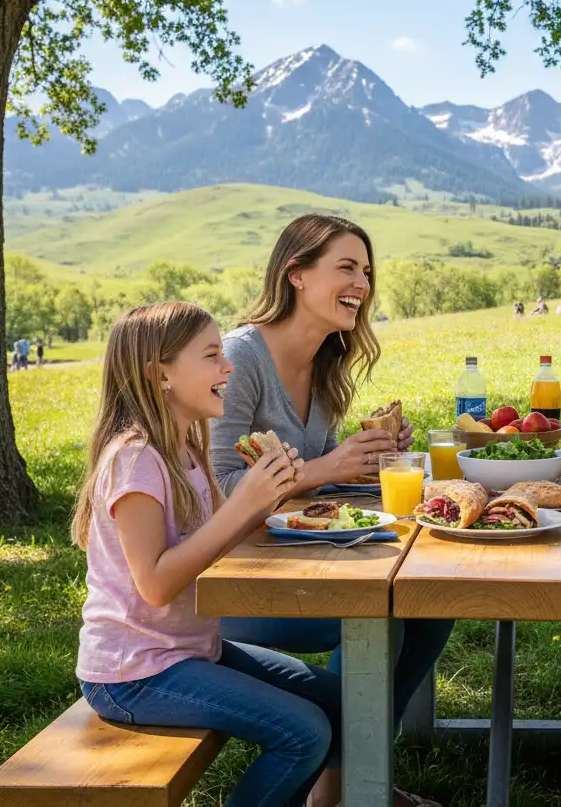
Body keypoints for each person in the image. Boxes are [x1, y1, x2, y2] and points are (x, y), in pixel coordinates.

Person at [211, 214, 451, 807]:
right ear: (295, 274)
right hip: (225, 585)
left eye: (366, 272)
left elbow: (314, 493)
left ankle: (347, 782)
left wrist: (371, 461)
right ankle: (353, 786)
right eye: (346, 268)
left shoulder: (326, 363)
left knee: (433, 603)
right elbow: (217, 487)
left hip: (293, 560)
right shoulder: (241, 359)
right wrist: (329, 467)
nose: (362, 284)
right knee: (375, 615)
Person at [72, 302, 343, 807]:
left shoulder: (186, 449)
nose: (229, 366)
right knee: (304, 733)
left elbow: (226, 543)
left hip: (191, 651)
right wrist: (243, 501)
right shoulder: (135, 461)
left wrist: (271, 496)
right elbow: (154, 584)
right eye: (212, 355)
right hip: (134, 674)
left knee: (343, 703)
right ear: (161, 376)